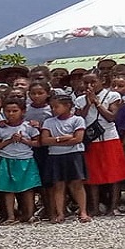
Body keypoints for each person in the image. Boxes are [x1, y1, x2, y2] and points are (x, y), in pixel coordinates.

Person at [0, 100, 44, 224]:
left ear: (22, 112)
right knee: (8, 189)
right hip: (6, 159)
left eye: (15, 111)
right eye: (8, 111)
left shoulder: (28, 126)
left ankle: (29, 214)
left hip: (25, 160)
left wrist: (24, 140)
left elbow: (38, 143)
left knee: (28, 189)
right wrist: (9, 140)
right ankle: (10, 216)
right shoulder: (0, 127)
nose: (11, 114)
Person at [40, 93, 91, 222]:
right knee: (58, 185)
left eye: (57, 107)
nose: (53, 110)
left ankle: (83, 211)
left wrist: (56, 140)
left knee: (77, 184)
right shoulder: (49, 121)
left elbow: (78, 139)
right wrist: (63, 138)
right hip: (55, 156)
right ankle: (60, 213)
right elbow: (44, 140)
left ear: (68, 106)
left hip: (74, 155)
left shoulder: (78, 120)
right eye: (52, 107)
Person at [87, 74, 125, 213]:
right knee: (93, 175)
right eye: (86, 82)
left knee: (114, 173)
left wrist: (97, 103)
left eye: (93, 82)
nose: (90, 85)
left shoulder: (113, 95)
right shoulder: (81, 99)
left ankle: (114, 206)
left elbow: (111, 117)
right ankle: (94, 207)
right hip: (91, 139)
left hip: (109, 138)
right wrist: (88, 103)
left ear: (102, 81)